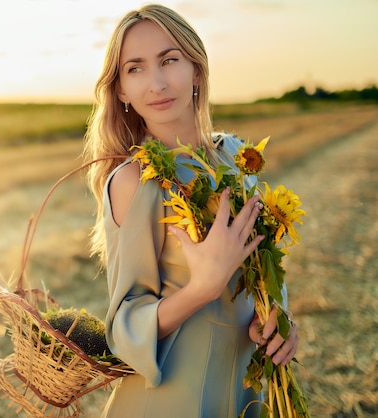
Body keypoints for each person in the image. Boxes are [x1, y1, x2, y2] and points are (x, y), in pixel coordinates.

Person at [82, 4, 299, 417]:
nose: (157, 83)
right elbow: (125, 327)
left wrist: (278, 320)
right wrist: (203, 287)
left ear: (196, 69)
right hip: (171, 395)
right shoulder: (135, 181)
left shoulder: (236, 156)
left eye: (169, 60)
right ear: (121, 90)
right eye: (136, 68)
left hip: (245, 386)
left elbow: (261, 261)